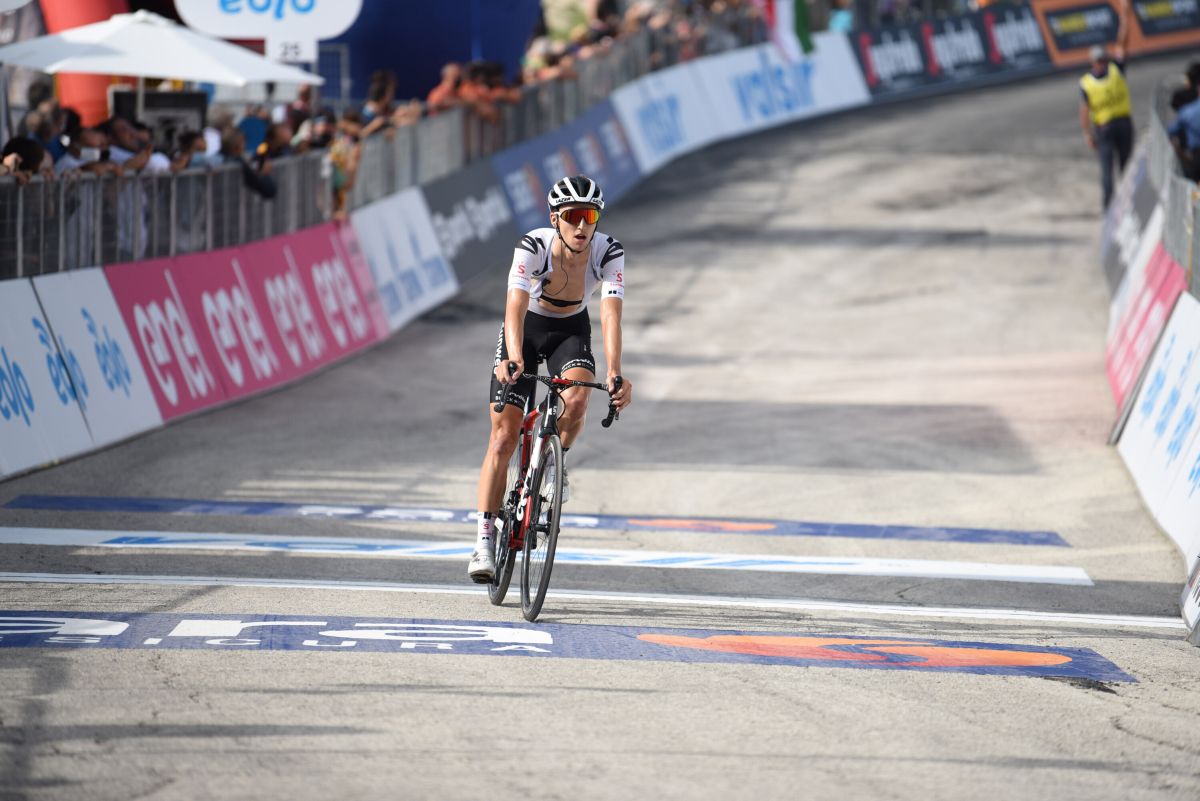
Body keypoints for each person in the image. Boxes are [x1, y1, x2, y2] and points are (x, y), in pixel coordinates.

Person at [468, 175, 633, 583]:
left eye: (589, 216)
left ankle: (553, 461)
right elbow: (515, 305)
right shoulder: (533, 246)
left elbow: (610, 313)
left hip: (570, 330)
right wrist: (515, 357)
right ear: (555, 218)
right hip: (526, 329)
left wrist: (615, 371)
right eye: (573, 216)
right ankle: (484, 539)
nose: (581, 226)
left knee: (576, 399)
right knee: (503, 437)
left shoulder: (609, 251)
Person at [1078, 4, 1132, 210]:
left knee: (1120, 167)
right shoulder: (1110, 72)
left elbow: (1122, 43)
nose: (1101, 63)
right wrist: (1087, 132)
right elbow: (1084, 110)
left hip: (1114, 126)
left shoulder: (1103, 74)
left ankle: (1117, 206)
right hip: (1111, 127)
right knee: (1113, 170)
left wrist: (1125, 20)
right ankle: (1113, 207)